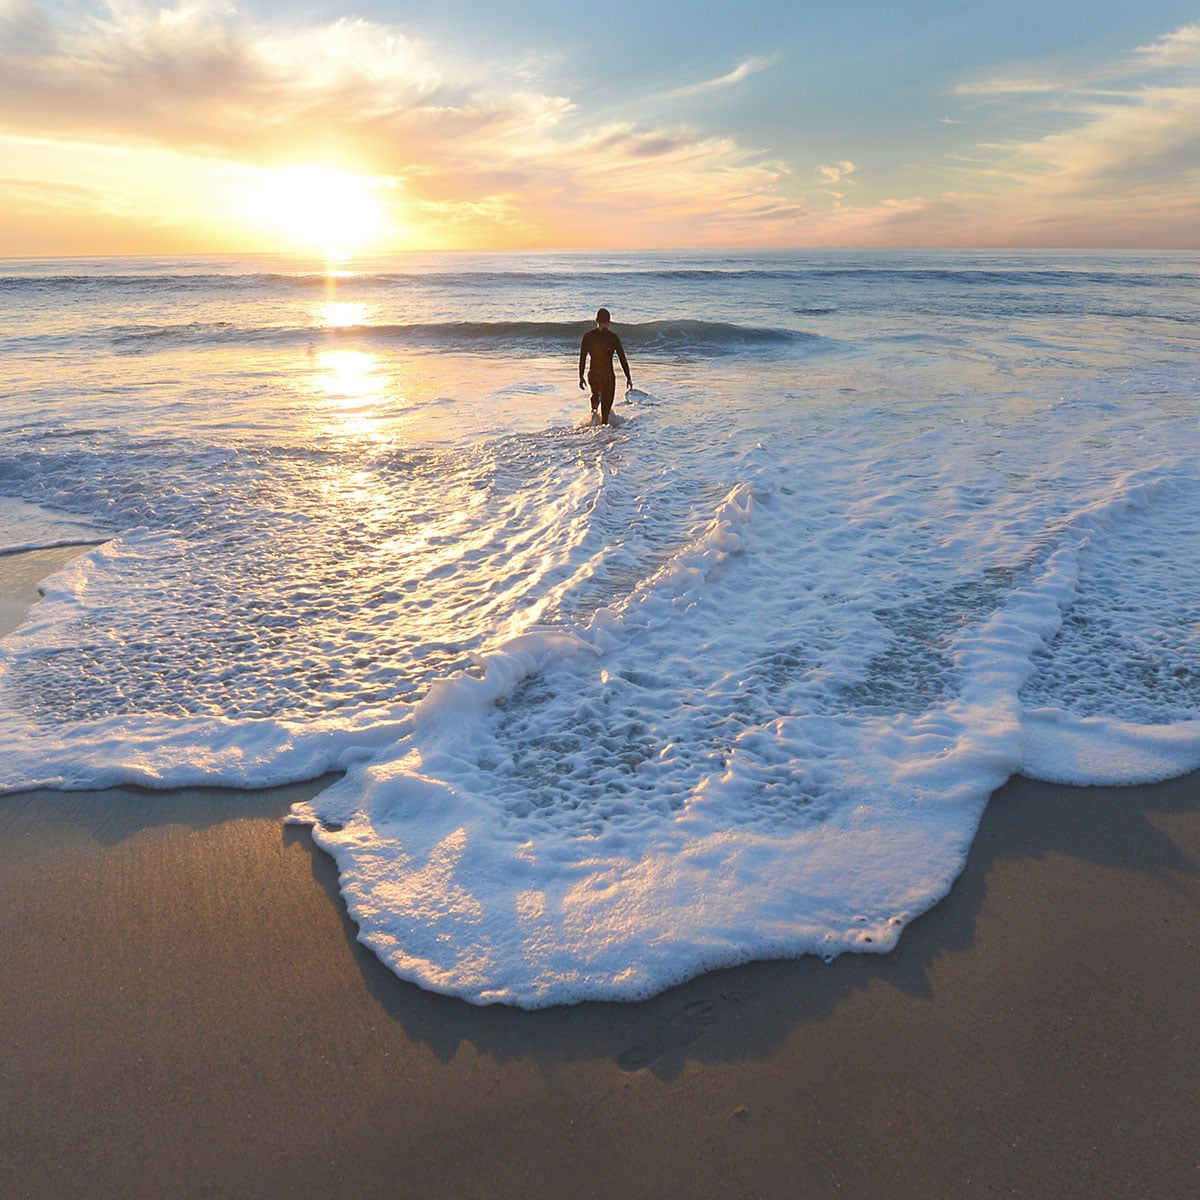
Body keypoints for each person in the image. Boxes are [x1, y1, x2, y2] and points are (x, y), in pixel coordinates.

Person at [578, 308, 632, 425]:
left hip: (593, 375)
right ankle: (603, 435)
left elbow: (582, 358)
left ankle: (592, 423)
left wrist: (581, 376)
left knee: (595, 398)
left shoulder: (588, 336)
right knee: (605, 414)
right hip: (607, 376)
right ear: (609, 322)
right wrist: (628, 377)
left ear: (596, 320)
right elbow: (622, 359)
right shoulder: (613, 338)